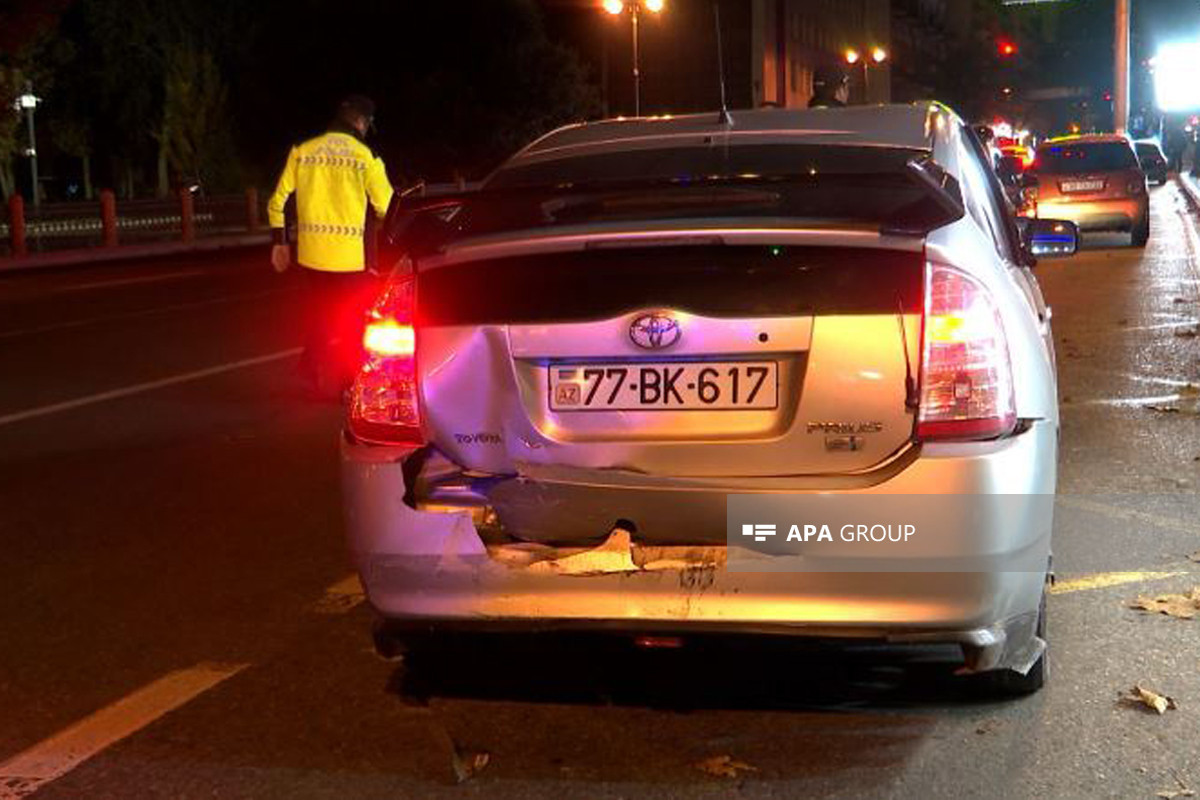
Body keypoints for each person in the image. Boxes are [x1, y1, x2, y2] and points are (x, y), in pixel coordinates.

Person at [267, 94, 394, 397]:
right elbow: (387, 208)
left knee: (322, 311)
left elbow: (277, 201)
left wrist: (280, 243)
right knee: (351, 321)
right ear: (362, 123)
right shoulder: (366, 158)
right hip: (350, 259)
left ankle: (309, 369)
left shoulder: (303, 151)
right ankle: (348, 384)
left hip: (312, 255)